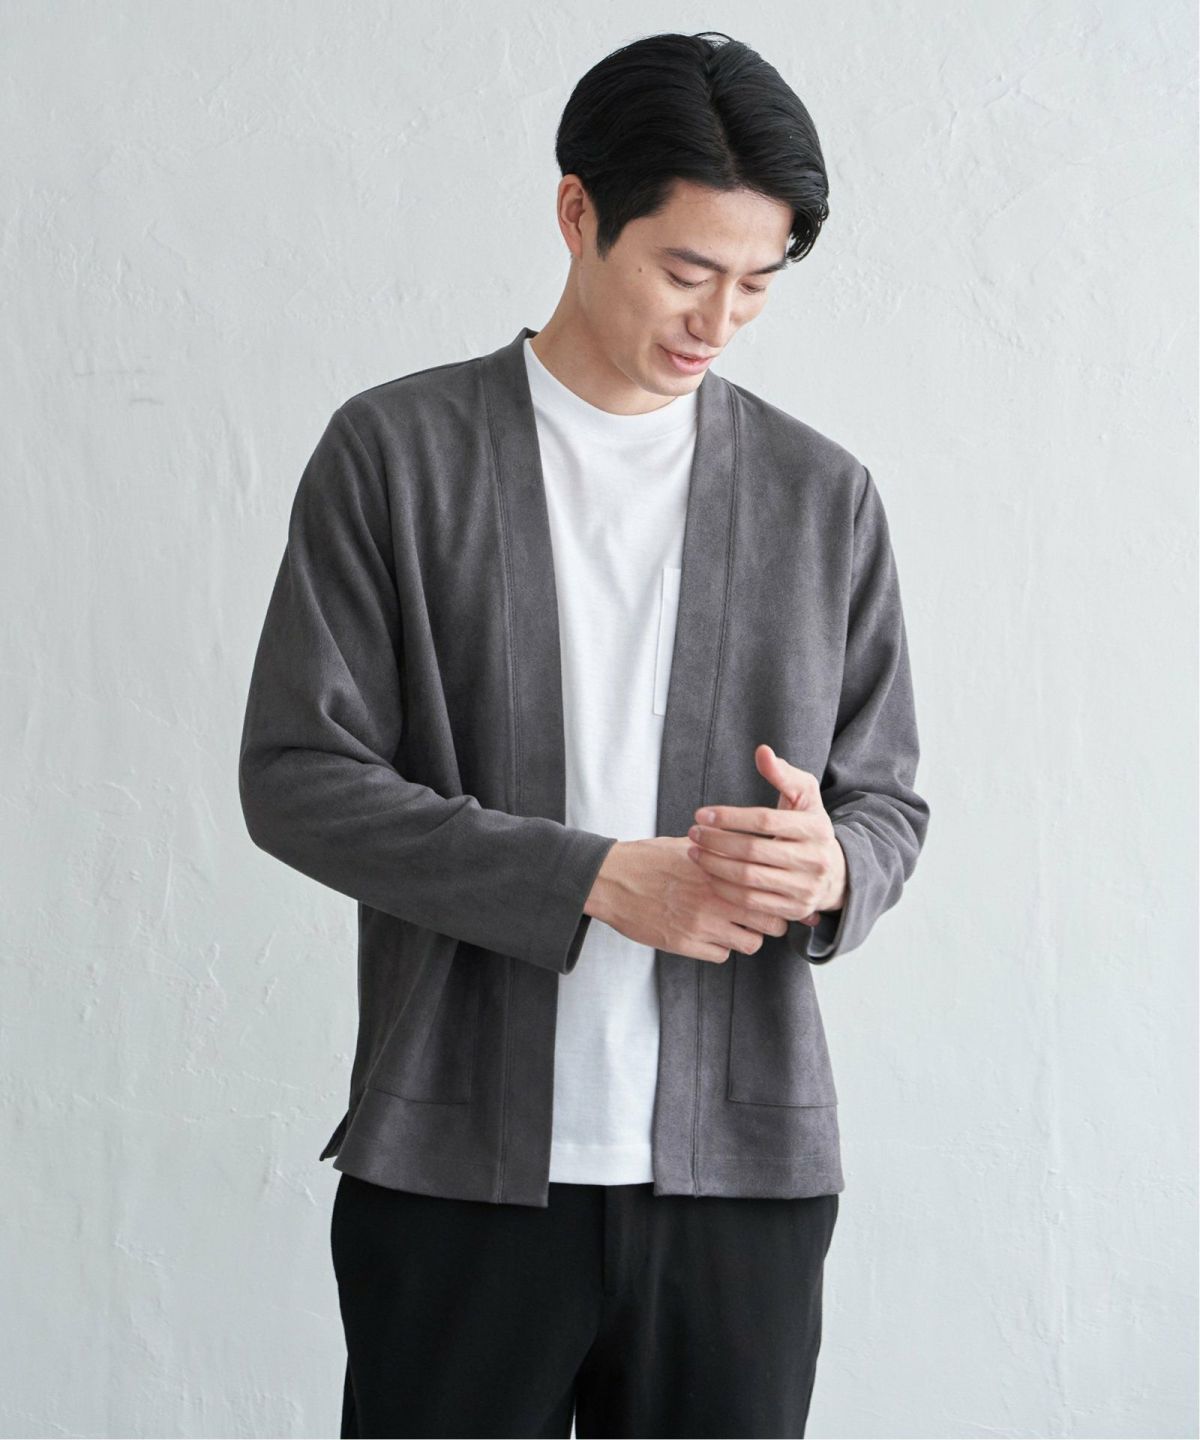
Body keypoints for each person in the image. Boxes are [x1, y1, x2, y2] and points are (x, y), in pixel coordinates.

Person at [238, 29, 930, 1439]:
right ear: (577, 212)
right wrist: (598, 879)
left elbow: (888, 804)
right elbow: (297, 777)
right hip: (457, 1173)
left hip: (740, 1186)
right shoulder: (398, 455)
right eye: (686, 270)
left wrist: (833, 870)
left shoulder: (822, 497)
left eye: (757, 284)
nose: (718, 319)